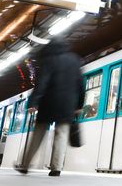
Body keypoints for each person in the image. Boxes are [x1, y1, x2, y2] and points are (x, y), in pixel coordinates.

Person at [15, 38, 84, 176]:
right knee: (61, 135)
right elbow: (81, 84)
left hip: (49, 103)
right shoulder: (75, 60)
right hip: (67, 105)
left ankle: (25, 165)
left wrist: (33, 102)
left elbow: (42, 83)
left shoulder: (49, 60)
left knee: (38, 136)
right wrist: (79, 104)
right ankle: (56, 168)